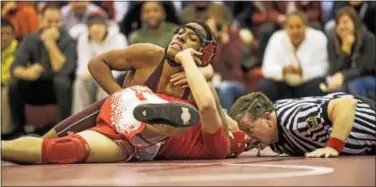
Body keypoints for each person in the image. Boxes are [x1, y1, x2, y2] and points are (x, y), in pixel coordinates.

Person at [1, 46, 249, 164]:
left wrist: (198, 68)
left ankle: (7, 147)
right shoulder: (217, 145)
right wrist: (191, 62)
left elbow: (213, 105)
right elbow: (208, 105)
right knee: (172, 129)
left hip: (127, 101)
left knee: (61, 146)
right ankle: (153, 124)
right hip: (139, 134)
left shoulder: (212, 120)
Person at [40, 21, 220, 140]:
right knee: (47, 142)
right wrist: (122, 97)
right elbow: (97, 63)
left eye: (192, 38)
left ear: (203, 53)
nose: (181, 37)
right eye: (180, 32)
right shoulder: (149, 54)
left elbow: (219, 118)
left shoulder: (199, 81)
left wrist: (205, 72)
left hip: (148, 142)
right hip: (118, 117)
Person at [230, 91, 375, 158]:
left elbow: (345, 105)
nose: (248, 138)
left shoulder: (296, 121)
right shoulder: (273, 131)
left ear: (268, 118)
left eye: (249, 130)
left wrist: (333, 147)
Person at [8, 5, 76, 136]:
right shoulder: (31, 39)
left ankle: (62, 130)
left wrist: (50, 44)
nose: (53, 26)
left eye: (57, 21)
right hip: (36, 86)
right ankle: (19, 131)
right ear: (40, 20)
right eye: (49, 21)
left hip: (59, 91)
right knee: (14, 83)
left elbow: (63, 70)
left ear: (62, 21)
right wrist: (27, 72)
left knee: (62, 81)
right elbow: (15, 67)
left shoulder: (68, 40)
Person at [258, 11, 328, 102]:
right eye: (291, 27)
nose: (295, 31)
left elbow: (323, 68)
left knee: (320, 86)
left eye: (298, 27)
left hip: (307, 84)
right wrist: (283, 70)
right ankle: (270, 115)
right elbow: (266, 69)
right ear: (285, 29)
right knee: (265, 86)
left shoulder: (319, 38)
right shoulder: (276, 38)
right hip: (283, 84)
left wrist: (303, 72)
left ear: (306, 27)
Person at [72, 11, 127, 114]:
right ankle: (79, 118)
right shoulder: (83, 39)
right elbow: (82, 67)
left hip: (114, 77)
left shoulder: (119, 38)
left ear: (105, 27)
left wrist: (99, 74)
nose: (96, 33)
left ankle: (104, 118)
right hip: (91, 77)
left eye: (99, 29)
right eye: (92, 30)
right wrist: (88, 74)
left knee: (105, 84)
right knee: (79, 83)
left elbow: (121, 67)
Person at [324, 7, 375, 98]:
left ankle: (361, 111)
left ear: (355, 23)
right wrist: (345, 50)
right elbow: (334, 70)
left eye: (345, 22)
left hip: (369, 78)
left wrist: (343, 75)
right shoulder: (333, 41)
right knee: (335, 89)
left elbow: (366, 68)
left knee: (355, 85)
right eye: (338, 23)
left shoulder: (368, 38)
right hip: (346, 80)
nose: (341, 26)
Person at [1, 18, 18, 137]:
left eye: (8, 34)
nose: (5, 37)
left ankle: (6, 132)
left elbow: (13, 71)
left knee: (4, 93)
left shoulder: (18, 49)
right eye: (1, 34)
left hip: (10, 84)